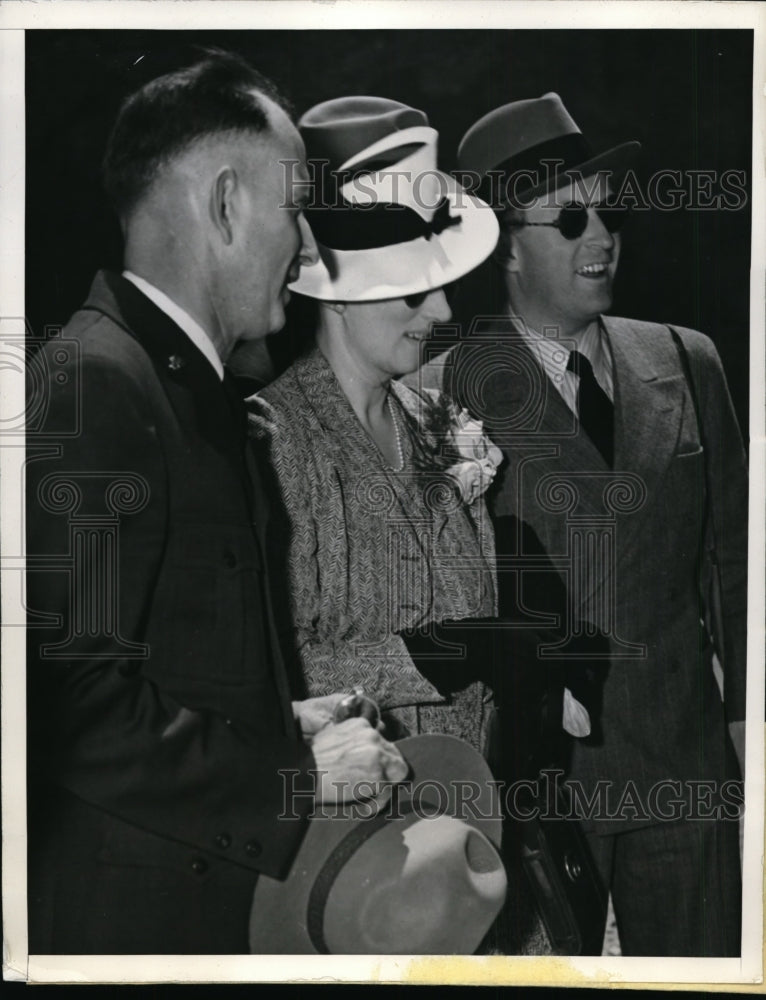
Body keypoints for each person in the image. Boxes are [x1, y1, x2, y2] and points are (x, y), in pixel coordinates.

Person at [25, 53, 407, 956]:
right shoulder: (94, 385)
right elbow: (61, 705)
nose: (310, 250)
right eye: (296, 212)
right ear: (228, 205)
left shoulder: (174, 385)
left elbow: (162, 659)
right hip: (131, 931)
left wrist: (280, 718)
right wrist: (289, 772)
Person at [435, 92, 747, 956]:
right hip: (537, 785)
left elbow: (737, 560)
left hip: (686, 772)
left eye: (609, 212)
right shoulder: (445, 385)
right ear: (503, 245)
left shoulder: (686, 358)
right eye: (571, 219)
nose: (602, 237)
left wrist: (747, 725)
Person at [251, 96, 505, 756]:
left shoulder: (437, 421)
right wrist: (434, 660)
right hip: (356, 828)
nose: (444, 308)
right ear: (337, 293)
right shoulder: (273, 441)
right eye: (416, 290)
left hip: (472, 816)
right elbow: (267, 667)